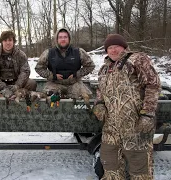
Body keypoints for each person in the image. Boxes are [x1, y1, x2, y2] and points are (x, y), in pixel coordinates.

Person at [93, 34, 161, 180]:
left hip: (135, 127)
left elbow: (153, 85)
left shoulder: (137, 59)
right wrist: (99, 104)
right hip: (110, 129)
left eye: (116, 46)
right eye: (109, 48)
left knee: (140, 171)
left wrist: (147, 113)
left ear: (123, 47)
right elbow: (99, 90)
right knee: (111, 168)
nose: (112, 50)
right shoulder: (104, 69)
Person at [35, 28, 95, 101]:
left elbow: (90, 66)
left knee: (87, 99)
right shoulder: (48, 53)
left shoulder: (79, 52)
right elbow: (39, 68)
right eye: (60, 37)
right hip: (54, 84)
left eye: (65, 37)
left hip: (74, 83)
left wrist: (77, 74)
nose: (63, 39)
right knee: (46, 100)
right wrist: (51, 75)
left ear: (69, 39)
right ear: (56, 39)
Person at [0, 30, 37, 97]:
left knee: (32, 83)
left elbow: (25, 72)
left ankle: (24, 102)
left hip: (16, 82)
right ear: (2, 42)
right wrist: (3, 88)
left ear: (13, 41)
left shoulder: (21, 55)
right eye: (5, 40)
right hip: (0, 83)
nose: (8, 43)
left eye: (10, 40)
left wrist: (17, 86)